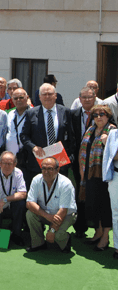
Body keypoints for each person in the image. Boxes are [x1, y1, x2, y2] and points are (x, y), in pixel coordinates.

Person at [20, 83, 74, 185]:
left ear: (56, 95)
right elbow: (23, 136)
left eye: (50, 94)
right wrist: (33, 147)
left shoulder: (65, 112)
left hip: (60, 162)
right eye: (44, 94)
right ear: (39, 97)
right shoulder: (31, 113)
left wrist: (70, 157)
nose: (47, 97)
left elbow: (72, 137)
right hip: (38, 162)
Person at [79, 104, 115, 250]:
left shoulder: (112, 130)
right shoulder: (90, 130)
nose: (99, 117)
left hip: (106, 175)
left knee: (105, 206)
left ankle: (105, 237)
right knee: (95, 204)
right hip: (90, 174)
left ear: (108, 116)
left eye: (102, 114)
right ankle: (98, 231)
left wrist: (107, 141)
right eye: (96, 115)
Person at [25, 157, 77, 253]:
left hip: (66, 215)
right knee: (30, 214)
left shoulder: (65, 183)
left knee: (57, 236)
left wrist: (52, 230)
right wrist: (47, 216)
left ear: (57, 170)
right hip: (47, 214)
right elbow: (29, 203)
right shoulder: (36, 179)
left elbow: (63, 211)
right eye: (43, 168)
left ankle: (66, 239)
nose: (46, 172)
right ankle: (38, 243)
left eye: (50, 169)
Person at [0, 151, 27, 246]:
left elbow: (23, 193)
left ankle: (16, 233)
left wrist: (5, 199)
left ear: (15, 164)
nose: (7, 166)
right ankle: (1, 228)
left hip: (10, 206)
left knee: (21, 204)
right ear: (0, 163)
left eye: (10, 163)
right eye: (4, 163)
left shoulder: (18, 173)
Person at [71, 86, 97, 238]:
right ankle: (80, 227)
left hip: (95, 161)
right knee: (79, 192)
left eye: (90, 97)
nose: (87, 100)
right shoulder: (73, 114)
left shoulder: (101, 113)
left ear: (95, 98)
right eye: (84, 97)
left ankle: (95, 225)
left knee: (94, 192)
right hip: (76, 160)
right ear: (79, 99)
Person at [5, 88, 30, 176]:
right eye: (15, 98)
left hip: (27, 157)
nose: (18, 100)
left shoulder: (33, 113)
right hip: (12, 157)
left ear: (27, 97)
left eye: (21, 97)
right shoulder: (10, 114)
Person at [102, 127, 118, 259]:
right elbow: (113, 155)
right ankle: (117, 247)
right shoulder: (113, 134)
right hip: (116, 176)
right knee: (116, 212)